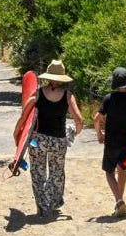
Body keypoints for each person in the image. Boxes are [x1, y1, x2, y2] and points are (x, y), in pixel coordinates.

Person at [13, 59, 83, 217]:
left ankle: (42, 206)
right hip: (58, 141)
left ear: (48, 76)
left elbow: (24, 115)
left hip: (38, 141)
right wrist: (75, 132)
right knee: (57, 173)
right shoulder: (67, 95)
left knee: (38, 173)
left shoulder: (38, 93)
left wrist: (17, 133)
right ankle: (52, 202)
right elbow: (79, 119)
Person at [93, 67, 126, 217]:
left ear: (115, 83)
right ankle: (120, 201)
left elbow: (96, 118)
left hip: (111, 142)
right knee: (122, 170)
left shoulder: (108, 99)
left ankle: (118, 200)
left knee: (109, 171)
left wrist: (99, 133)